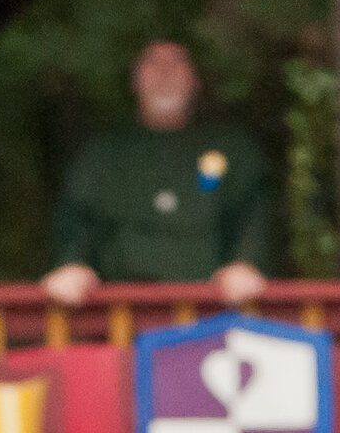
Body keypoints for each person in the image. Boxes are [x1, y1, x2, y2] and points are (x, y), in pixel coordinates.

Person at [43, 40, 272, 308]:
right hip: (119, 317)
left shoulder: (233, 150)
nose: (165, 72)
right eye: (153, 62)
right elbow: (75, 222)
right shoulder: (102, 154)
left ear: (195, 78)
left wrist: (246, 263)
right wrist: (72, 264)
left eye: (177, 62)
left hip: (211, 318)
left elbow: (253, 218)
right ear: (135, 78)